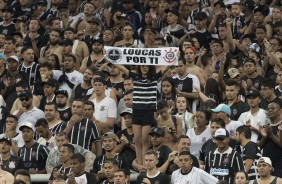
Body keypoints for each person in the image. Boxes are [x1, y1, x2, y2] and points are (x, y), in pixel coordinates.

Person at [259, 102, 282, 177]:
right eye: (268, 109)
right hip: (266, 164)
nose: (270, 110)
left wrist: (271, 134)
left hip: (280, 165)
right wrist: (264, 137)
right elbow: (259, 147)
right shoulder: (265, 127)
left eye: (273, 108)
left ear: (279, 111)